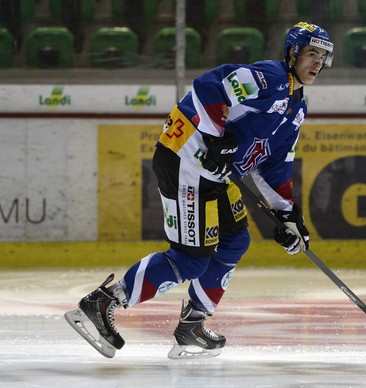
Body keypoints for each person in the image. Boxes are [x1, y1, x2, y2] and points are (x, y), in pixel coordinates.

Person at [65, 22, 334, 358]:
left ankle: (192, 324)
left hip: (217, 175)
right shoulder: (271, 77)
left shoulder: (297, 107)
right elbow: (210, 85)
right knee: (192, 260)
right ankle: (104, 301)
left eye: (323, 57)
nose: (318, 63)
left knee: (235, 240)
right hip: (186, 162)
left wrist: (288, 214)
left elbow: (274, 164)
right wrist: (215, 137)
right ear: (292, 53)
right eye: (311, 53)